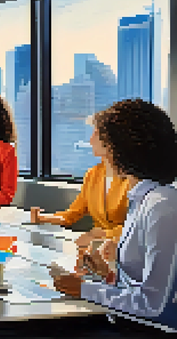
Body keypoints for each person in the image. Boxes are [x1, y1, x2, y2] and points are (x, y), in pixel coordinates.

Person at [54, 99, 177, 335]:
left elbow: (153, 304)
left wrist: (85, 290)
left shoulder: (161, 204)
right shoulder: (141, 198)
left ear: (121, 148)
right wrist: (106, 274)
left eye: (98, 136)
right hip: (126, 321)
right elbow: (138, 283)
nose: (91, 141)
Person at [30, 115, 131, 273]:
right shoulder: (93, 175)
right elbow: (72, 214)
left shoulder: (133, 179)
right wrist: (42, 218)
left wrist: (102, 234)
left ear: (112, 140)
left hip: (125, 254)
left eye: (95, 134)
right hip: (98, 255)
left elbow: (139, 227)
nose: (90, 140)